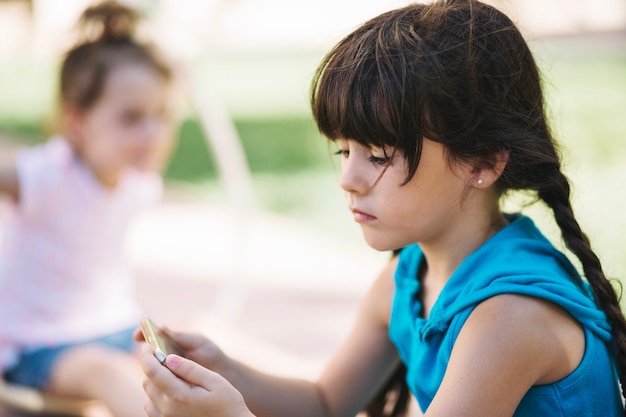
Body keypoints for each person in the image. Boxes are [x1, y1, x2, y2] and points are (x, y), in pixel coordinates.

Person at [137, 1, 626, 416]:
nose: (348, 179)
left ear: (481, 163)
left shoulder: (509, 317)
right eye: (343, 151)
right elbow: (326, 403)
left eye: (378, 156)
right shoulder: (407, 278)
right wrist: (225, 371)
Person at [0, 1, 176, 416]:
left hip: (113, 324)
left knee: (188, 357)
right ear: (77, 124)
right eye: (132, 118)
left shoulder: (137, 181)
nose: (152, 133)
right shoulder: (51, 175)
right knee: (111, 374)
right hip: (40, 342)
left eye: (161, 115)